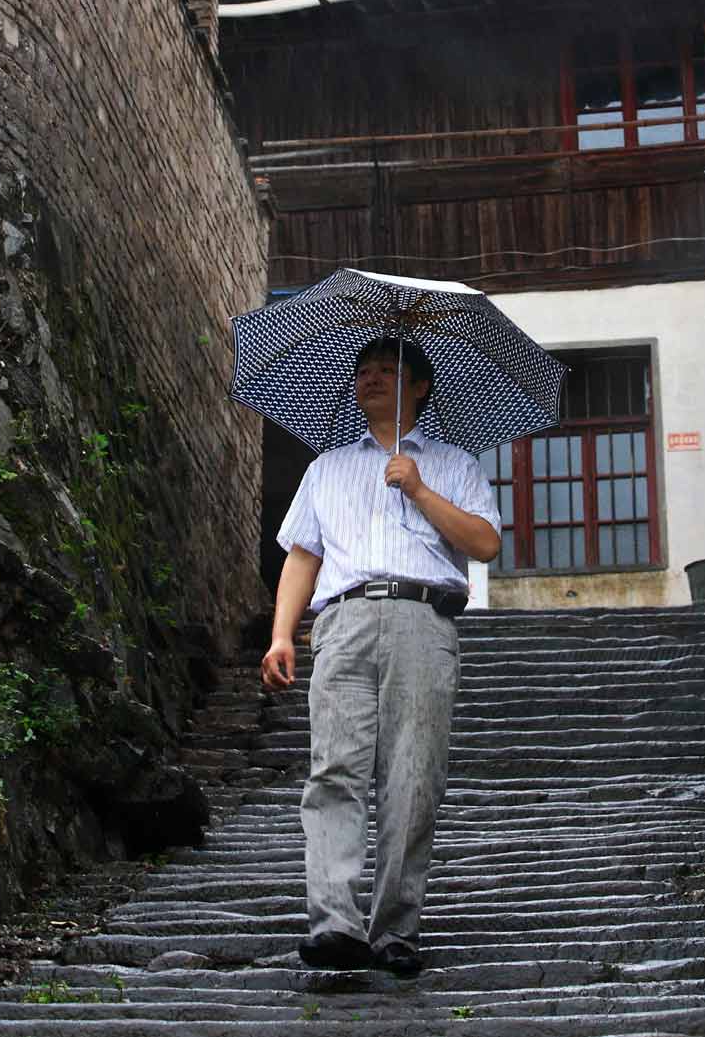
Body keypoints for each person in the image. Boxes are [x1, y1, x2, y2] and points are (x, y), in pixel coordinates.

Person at [261, 337, 501, 977]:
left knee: (413, 776)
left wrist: (420, 490)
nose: (369, 379)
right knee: (333, 768)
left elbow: (484, 543)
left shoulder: (454, 465)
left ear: (421, 386)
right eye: (363, 371)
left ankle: (396, 928)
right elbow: (303, 556)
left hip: (424, 622)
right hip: (342, 622)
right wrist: (283, 633)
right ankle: (335, 923)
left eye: (387, 370)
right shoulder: (327, 467)